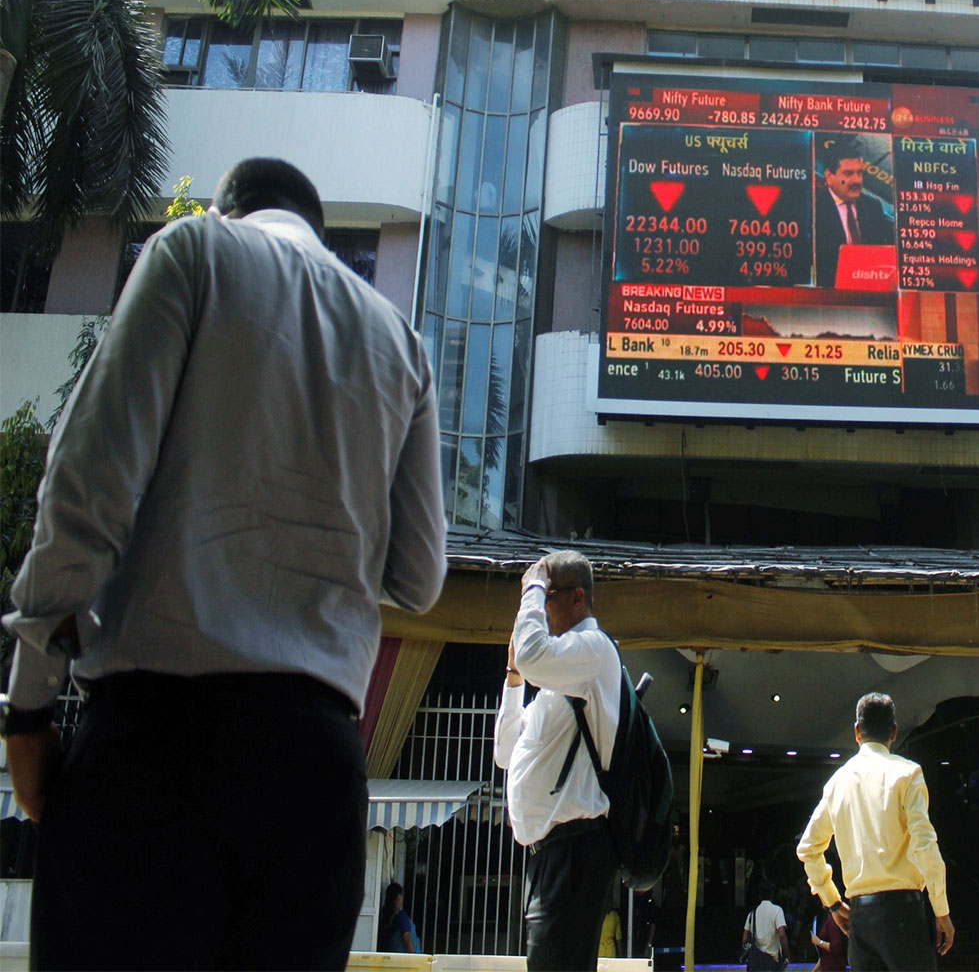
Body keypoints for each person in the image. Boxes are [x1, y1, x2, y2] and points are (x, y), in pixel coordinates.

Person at [0, 157, 446, 970]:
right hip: (317, 774)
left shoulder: (193, 253)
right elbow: (417, 578)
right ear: (315, 224)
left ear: (227, 208)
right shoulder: (400, 342)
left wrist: (27, 711)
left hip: (157, 745)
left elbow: (87, 488)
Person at [494, 549, 623, 971]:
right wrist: (514, 679)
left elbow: (533, 655)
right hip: (551, 854)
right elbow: (504, 753)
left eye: (548, 598)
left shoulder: (594, 649)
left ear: (577, 599)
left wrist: (531, 585)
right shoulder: (560, 682)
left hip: (575, 849)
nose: (540, 610)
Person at [796, 692, 954, 970]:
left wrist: (833, 903)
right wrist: (941, 909)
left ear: (857, 732)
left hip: (860, 916)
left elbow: (808, 849)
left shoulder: (837, 783)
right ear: (894, 732)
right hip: (904, 912)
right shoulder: (909, 774)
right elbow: (925, 844)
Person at [813, 134, 896, 287]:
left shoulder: (873, 207)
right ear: (830, 177)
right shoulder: (814, 210)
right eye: (848, 174)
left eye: (860, 173)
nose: (857, 180)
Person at [743, 880, 790, 971]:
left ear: (759, 896)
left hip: (756, 963)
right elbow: (782, 935)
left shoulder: (752, 913)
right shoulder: (777, 910)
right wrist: (787, 956)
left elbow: (745, 939)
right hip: (772, 962)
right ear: (772, 894)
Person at [379, 883, 421, 954]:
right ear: (399, 896)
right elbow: (407, 938)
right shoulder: (401, 916)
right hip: (406, 961)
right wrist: (414, 958)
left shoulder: (385, 919)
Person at [812, 904, 847, 972]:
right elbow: (824, 955)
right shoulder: (827, 920)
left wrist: (819, 942)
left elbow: (836, 948)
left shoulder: (833, 922)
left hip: (835, 967)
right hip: (826, 967)